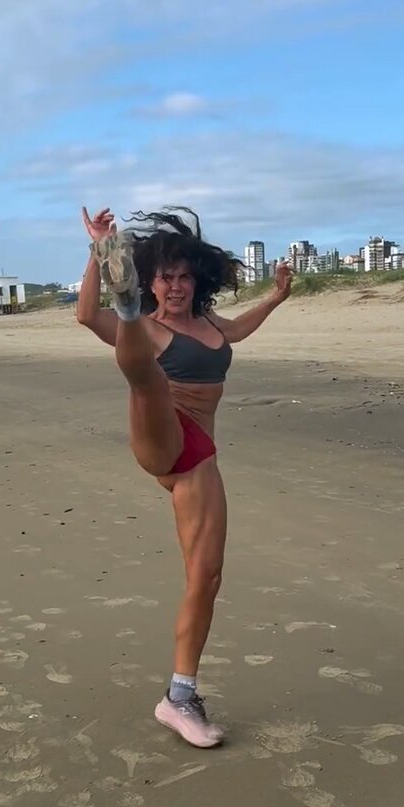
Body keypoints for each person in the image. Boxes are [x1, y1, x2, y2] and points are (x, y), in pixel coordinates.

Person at [77, 206, 293, 748]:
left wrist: (276, 297)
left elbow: (239, 328)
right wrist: (99, 254)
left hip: (199, 458)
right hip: (161, 433)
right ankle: (126, 309)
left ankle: (180, 696)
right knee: (147, 379)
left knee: (207, 576)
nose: (175, 286)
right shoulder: (158, 328)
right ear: (150, 283)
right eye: (165, 277)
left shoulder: (212, 324)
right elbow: (84, 316)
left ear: (198, 281)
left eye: (183, 277)